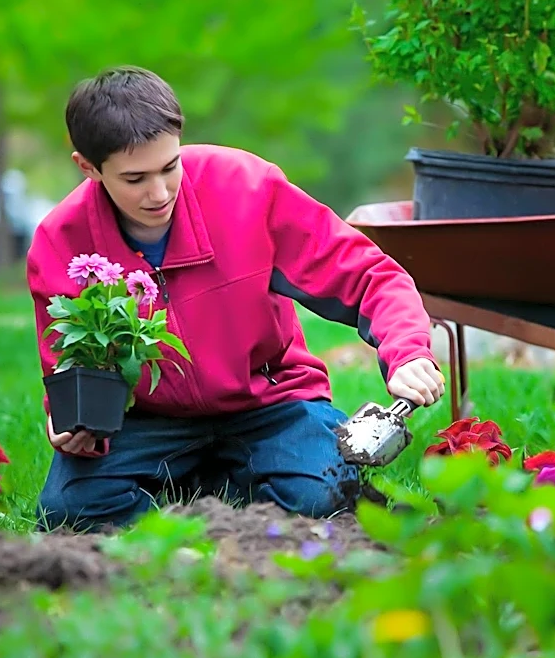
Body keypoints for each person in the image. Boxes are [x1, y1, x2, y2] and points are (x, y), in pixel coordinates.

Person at [26, 66, 445, 532]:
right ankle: (209, 510)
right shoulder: (60, 242)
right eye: (135, 178)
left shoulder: (246, 188)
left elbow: (370, 275)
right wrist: (68, 426)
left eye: (170, 167)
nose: (160, 192)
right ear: (88, 167)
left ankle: (207, 491)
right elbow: (68, 368)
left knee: (324, 492)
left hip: (270, 405)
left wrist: (406, 352)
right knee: (67, 509)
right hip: (147, 421)